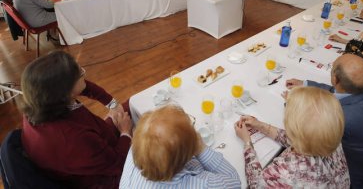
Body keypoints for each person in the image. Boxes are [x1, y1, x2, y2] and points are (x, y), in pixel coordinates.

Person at [17, 51, 132, 189]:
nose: (84, 73)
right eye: (80, 73)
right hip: (103, 179)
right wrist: (125, 133)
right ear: (65, 91)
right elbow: (118, 164)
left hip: (91, 153)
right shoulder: (73, 138)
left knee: (129, 106)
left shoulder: (37, 104)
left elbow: (81, 86)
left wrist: (111, 104)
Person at [285, 54, 363, 188]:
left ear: (334, 78)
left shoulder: (343, 116)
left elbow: (305, 131)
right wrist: (305, 85)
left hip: (346, 176)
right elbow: (337, 91)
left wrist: (294, 102)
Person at [234, 87, 350, 188]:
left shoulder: (283, 172)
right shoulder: (330, 137)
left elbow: (256, 184)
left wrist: (247, 143)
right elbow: (299, 140)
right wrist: (261, 126)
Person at [120, 105, 241, 188]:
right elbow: (234, 182)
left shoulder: (137, 150)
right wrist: (201, 149)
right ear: (187, 157)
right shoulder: (203, 184)